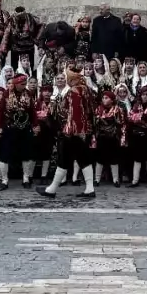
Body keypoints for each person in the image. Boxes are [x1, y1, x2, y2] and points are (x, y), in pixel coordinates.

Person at [40, 68, 96, 198]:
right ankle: (89, 188)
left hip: (73, 132)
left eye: (69, 79)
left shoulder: (74, 92)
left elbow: (74, 113)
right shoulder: (86, 89)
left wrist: (70, 130)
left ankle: (52, 189)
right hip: (85, 130)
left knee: (64, 158)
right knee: (83, 159)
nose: (68, 81)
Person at [126, 84, 147, 188]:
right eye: (143, 94)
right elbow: (130, 117)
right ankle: (135, 180)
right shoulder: (136, 105)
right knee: (137, 158)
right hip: (137, 135)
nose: (145, 96)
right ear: (140, 95)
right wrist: (140, 118)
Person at [92, 88, 125, 186]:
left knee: (114, 158)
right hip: (101, 137)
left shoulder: (117, 109)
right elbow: (94, 123)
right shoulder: (98, 109)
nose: (104, 100)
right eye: (103, 98)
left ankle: (115, 179)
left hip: (113, 137)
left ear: (111, 100)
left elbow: (122, 123)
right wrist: (98, 121)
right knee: (100, 158)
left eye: (106, 98)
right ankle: (97, 179)